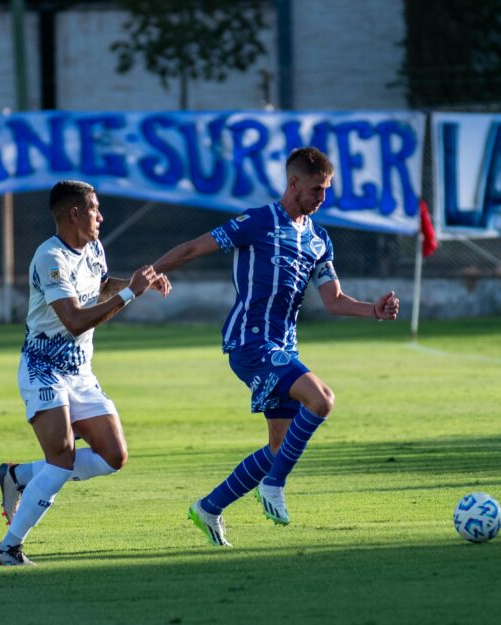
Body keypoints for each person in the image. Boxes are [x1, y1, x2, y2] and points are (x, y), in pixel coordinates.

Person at [152, 147, 400, 546]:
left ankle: (209, 508)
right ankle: (273, 486)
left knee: (278, 447)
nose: (322, 198)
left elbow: (334, 300)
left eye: (327, 190)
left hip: (284, 348)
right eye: (317, 189)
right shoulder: (257, 221)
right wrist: (147, 273)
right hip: (250, 343)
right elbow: (193, 248)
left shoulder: (319, 240)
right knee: (322, 400)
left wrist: (374, 310)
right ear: (294, 184)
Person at [0, 180, 171, 566]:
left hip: (79, 372)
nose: (101, 217)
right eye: (95, 209)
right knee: (61, 459)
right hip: (43, 370)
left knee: (113, 456)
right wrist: (132, 294)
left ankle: (19, 475)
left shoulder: (93, 249)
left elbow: (101, 286)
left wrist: (136, 284)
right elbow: (73, 319)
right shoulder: (49, 257)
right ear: (74, 214)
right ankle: (9, 547)